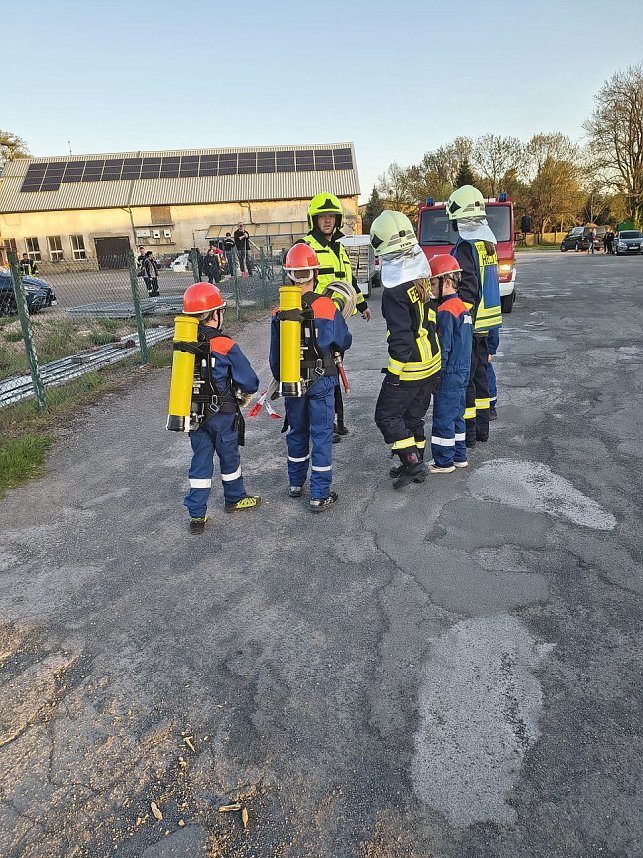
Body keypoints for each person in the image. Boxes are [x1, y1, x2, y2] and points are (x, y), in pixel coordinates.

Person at [269, 243, 352, 511]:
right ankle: (319, 494)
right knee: (321, 435)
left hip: (292, 381)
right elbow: (344, 340)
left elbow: (275, 355)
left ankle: (295, 484)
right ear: (314, 274)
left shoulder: (279, 311)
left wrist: (281, 379)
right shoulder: (327, 306)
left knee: (297, 431)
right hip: (321, 381)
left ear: (290, 275)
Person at [181, 281, 261, 534]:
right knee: (229, 457)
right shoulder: (225, 344)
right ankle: (235, 499)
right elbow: (249, 380)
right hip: (222, 415)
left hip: (195, 415)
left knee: (200, 461)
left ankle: (197, 514)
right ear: (215, 314)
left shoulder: (182, 346)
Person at [369, 210, 441, 489]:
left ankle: (411, 462)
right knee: (413, 416)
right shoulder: (420, 279)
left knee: (386, 415)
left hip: (410, 368)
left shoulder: (394, 291)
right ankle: (416, 462)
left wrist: (394, 374)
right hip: (430, 363)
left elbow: (400, 340)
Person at [299, 192, 371, 441]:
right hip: (315, 322)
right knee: (322, 372)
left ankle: (337, 422)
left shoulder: (340, 247)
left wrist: (361, 306)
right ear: (314, 219)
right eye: (323, 217)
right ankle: (325, 425)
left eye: (331, 216)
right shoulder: (306, 246)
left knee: (335, 367)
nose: (327, 221)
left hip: (337, 321)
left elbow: (348, 281)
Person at [447, 184, 502, 448]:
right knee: (480, 378)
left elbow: (467, 289)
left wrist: (457, 320)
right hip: (488, 323)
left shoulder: (466, 246)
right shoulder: (487, 244)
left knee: (466, 380)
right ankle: (482, 430)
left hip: (472, 323)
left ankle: (468, 434)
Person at [427, 255, 473, 473]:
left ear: (446, 281)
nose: (431, 288)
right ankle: (459, 455)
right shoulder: (462, 307)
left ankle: (443, 461)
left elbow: (443, 346)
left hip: (449, 371)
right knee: (457, 415)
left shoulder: (445, 311)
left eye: (434, 283)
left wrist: (436, 374)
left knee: (443, 416)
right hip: (463, 369)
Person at [487, 325, 499, 420]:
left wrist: (490, 350)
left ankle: (491, 408)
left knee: (486, 374)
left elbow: (493, 327)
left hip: (481, 343)